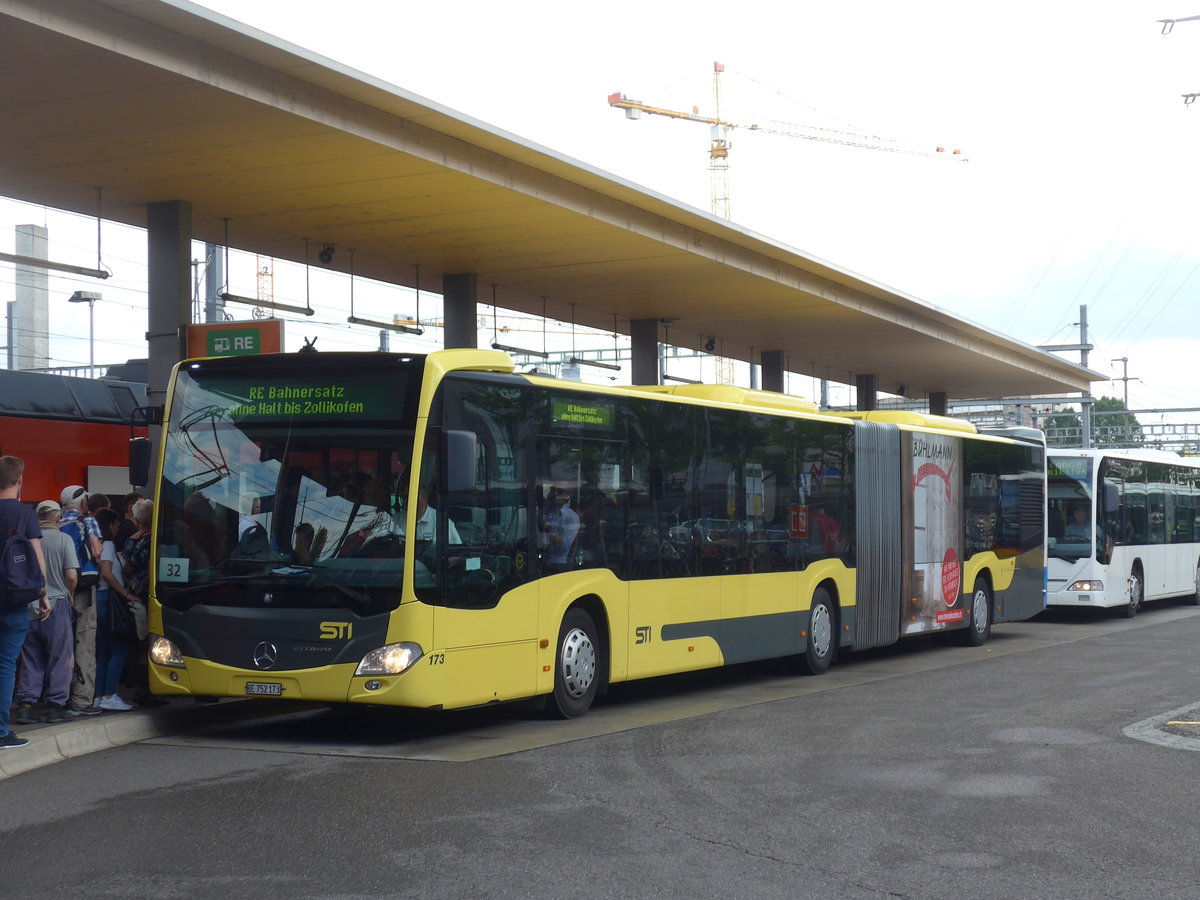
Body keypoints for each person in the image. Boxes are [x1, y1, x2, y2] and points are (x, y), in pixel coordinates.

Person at [13, 500, 78, 725]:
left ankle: (26, 705)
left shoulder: (29, 541)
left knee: (31, 657)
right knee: (60, 656)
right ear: (58, 518)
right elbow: (71, 575)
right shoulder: (64, 539)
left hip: (30, 604)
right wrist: (71, 593)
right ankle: (56, 705)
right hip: (58, 603)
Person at [0, 456, 49, 750]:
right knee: (5, 665)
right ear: (19, 481)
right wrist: (42, 595)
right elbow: (35, 557)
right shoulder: (24, 513)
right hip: (14, 600)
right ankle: (1, 731)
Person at [59, 484, 103, 717]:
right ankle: (82, 699)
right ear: (84, 504)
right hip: (83, 591)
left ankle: (59, 696)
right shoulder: (86, 522)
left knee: (63, 645)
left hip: (60, 593)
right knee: (84, 642)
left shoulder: (57, 525)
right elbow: (96, 552)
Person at [95, 508, 135, 711]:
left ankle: (99, 695)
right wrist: (126, 594)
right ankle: (111, 693)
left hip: (97, 599)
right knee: (119, 649)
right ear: (109, 525)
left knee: (103, 652)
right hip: (109, 600)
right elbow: (107, 573)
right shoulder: (108, 544)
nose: (119, 526)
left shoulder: (95, 544)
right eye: (116, 523)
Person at [541, 485, 580, 569]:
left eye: (559, 491)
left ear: (568, 495)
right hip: (539, 560)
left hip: (557, 564)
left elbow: (563, 546)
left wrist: (548, 529)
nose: (555, 494)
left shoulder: (571, 517)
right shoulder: (544, 511)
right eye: (553, 490)